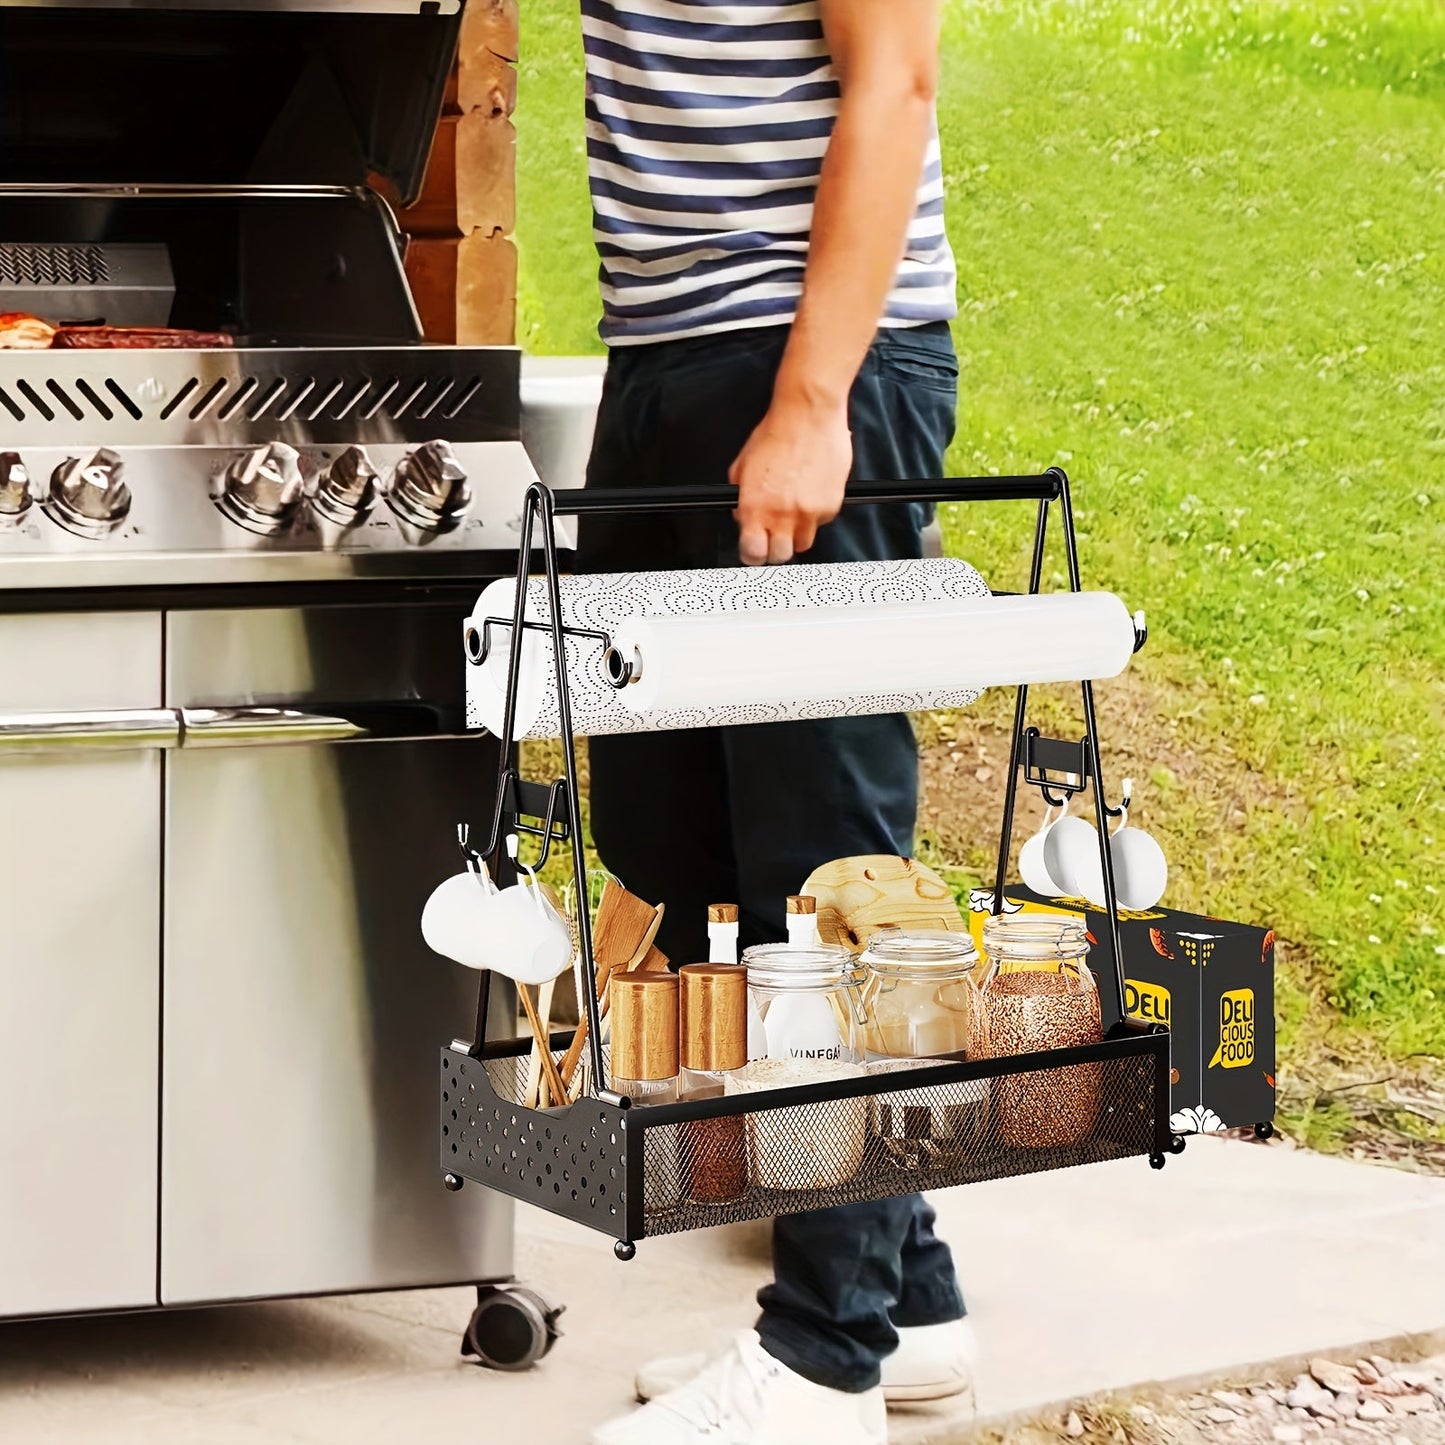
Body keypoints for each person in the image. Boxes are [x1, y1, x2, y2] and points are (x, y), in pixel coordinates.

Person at [576, 4, 975, 1442]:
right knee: (682, 853)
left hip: (809, 364)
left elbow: (897, 74)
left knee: (821, 891)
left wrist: (812, 400)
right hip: (664, 358)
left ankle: (821, 1360)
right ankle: (907, 1299)